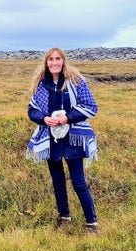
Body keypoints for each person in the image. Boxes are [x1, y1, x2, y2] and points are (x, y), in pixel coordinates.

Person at [25, 47, 99, 234]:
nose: (54, 62)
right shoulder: (41, 85)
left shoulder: (75, 81)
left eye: (58, 59)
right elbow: (32, 110)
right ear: (46, 62)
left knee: (78, 181)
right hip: (51, 139)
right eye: (51, 59)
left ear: (63, 61)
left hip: (73, 138)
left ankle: (92, 223)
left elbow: (91, 106)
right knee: (57, 180)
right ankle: (64, 218)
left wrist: (68, 117)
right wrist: (43, 119)